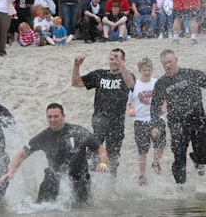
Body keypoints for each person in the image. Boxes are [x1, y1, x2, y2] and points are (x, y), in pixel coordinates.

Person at [0, 103, 108, 204]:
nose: (53, 120)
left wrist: (102, 163)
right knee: (41, 206)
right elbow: (21, 154)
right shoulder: (43, 137)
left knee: (83, 207)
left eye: (56, 116)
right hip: (54, 176)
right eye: (49, 117)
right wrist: (10, 171)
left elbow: (100, 148)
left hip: (79, 176)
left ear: (63, 116)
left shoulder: (78, 132)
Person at [72, 48, 135, 176]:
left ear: (123, 61)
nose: (113, 61)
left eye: (117, 58)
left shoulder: (127, 75)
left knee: (113, 156)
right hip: (99, 120)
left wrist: (121, 66)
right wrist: (76, 66)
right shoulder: (100, 74)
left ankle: (111, 182)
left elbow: (132, 85)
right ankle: (92, 178)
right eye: (111, 58)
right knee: (93, 153)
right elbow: (75, 82)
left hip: (117, 123)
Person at [150, 49, 206, 185]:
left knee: (203, 152)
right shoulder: (161, 83)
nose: (167, 65)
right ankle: (180, 187)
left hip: (197, 118)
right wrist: (155, 125)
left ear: (176, 60)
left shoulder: (191, 74)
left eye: (170, 62)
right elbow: (155, 106)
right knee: (179, 154)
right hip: (177, 123)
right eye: (164, 64)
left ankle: (198, 161)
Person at [126, 57, 166, 185]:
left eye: (149, 69)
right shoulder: (135, 85)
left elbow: (165, 98)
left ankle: (156, 162)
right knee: (142, 149)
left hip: (156, 118)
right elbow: (128, 103)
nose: (147, 72)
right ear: (139, 70)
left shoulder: (157, 82)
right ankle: (142, 174)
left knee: (160, 143)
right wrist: (129, 111)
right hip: (140, 120)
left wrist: (164, 107)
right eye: (144, 70)